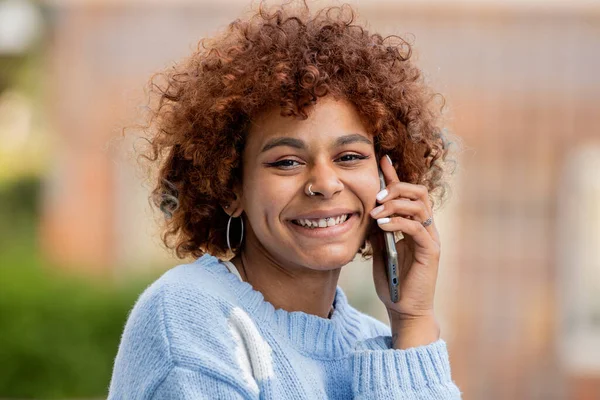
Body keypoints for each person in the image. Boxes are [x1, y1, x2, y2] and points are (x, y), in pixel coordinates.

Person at [108, 1, 462, 398]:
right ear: (230, 188)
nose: (325, 184)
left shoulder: (386, 343)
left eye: (349, 157)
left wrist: (412, 321)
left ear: (386, 177)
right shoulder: (191, 316)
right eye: (287, 162)